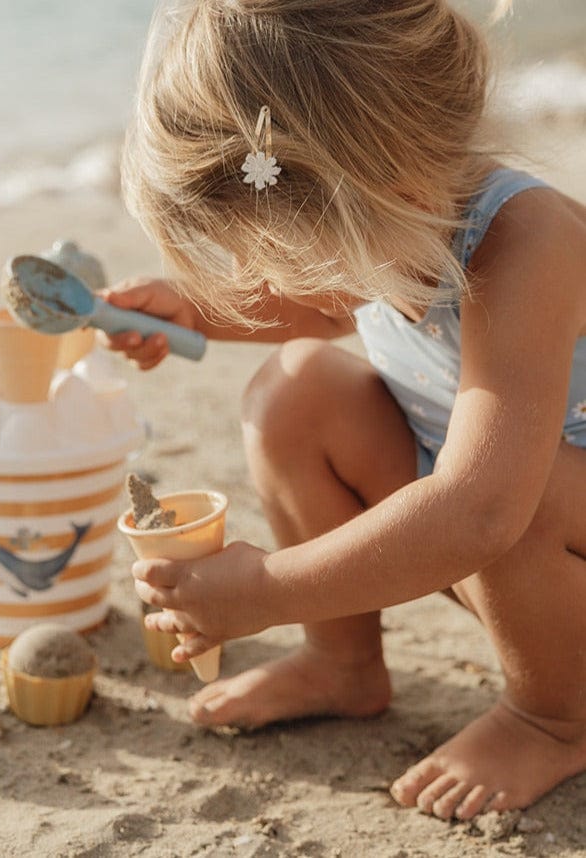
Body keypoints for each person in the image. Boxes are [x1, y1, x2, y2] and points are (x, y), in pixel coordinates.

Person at [101, 0, 586, 823]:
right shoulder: (396, 221)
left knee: (516, 486)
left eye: (279, 255)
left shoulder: (529, 242)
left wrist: (266, 589)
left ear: (387, 194)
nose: (269, 280)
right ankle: (343, 661)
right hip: (481, 532)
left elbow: (482, 510)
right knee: (296, 390)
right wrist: (194, 311)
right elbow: (326, 309)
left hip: (518, 522)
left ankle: (555, 718)